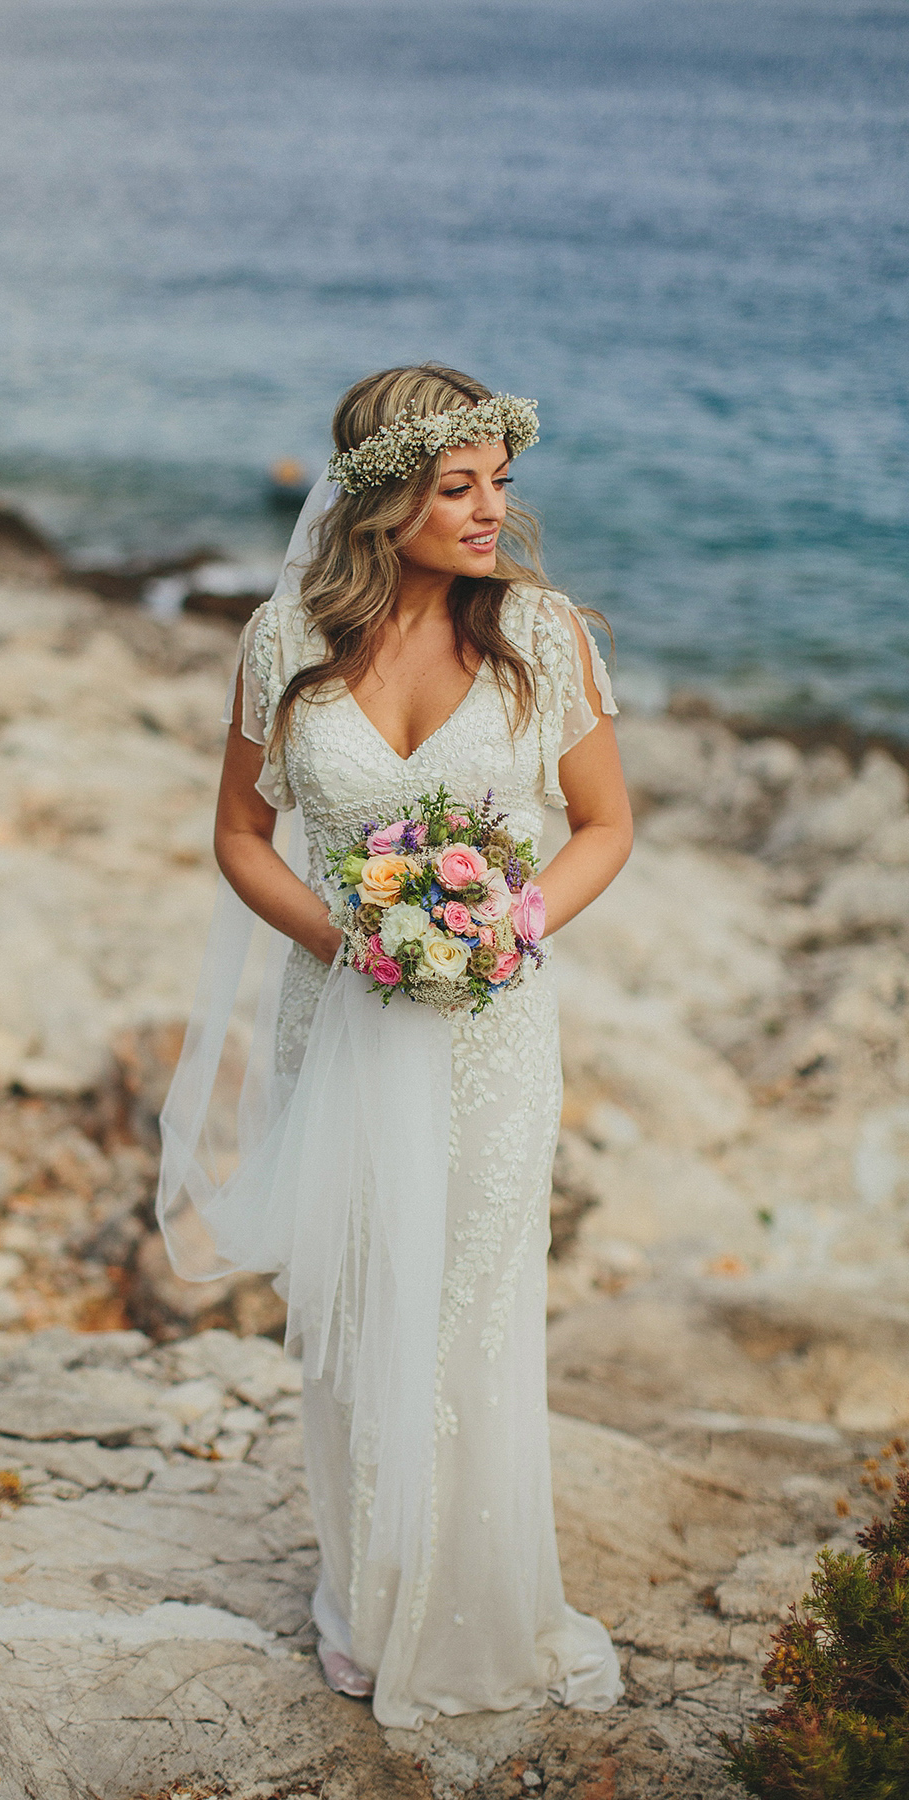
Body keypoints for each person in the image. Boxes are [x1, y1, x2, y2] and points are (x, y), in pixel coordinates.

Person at [157, 363, 633, 1728]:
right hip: (343, 1015)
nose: (494, 509)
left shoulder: (541, 639)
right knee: (363, 1307)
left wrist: (511, 922)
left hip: (490, 1028)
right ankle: (370, 1596)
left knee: (472, 1309)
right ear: (383, 501)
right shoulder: (281, 641)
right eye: (459, 485)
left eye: (499, 481)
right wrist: (346, 940)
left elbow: (602, 824)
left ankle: (479, 1605)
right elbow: (240, 839)